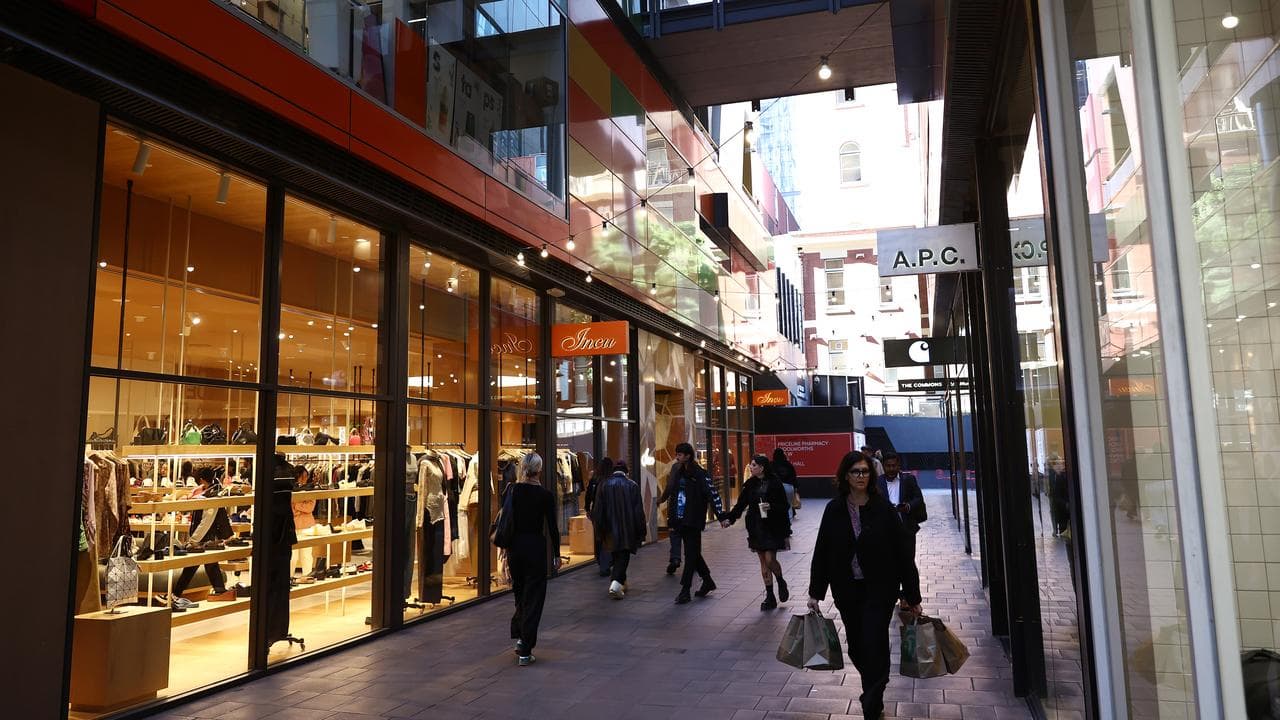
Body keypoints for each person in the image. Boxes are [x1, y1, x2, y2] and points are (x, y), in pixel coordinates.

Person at [808, 451, 922, 720]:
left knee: (875, 641)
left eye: (865, 471)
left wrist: (912, 595)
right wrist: (815, 592)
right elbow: (822, 550)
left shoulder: (883, 508)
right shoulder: (834, 510)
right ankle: (873, 687)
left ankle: (872, 700)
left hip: (880, 589)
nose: (861, 476)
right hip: (846, 589)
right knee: (857, 647)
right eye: (856, 471)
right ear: (845, 475)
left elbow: (902, 553)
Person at [505, 452, 560, 666]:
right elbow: (553, 528)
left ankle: (521, 638)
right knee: (534, 598)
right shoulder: (545, 495)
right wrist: (556, 553)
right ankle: (526, 648)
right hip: (535, 549)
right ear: (540, 469)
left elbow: (506, 520)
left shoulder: (513, 491)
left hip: (515, 549)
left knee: (520, 594)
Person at [657, 442, 726, 604]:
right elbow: (673, 492)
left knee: (690, 555)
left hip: (693, 520)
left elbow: (712, 494)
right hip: (680, 520)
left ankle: (685, 590)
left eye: (680, 454)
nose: (677, 457)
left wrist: (721, 516)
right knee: (693, 552)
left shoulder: (700, 474)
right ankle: (707, 581)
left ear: (688, 456)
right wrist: (672, 517)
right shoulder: (678, 471)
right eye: (676, 454)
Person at [724, 455, 792, 610]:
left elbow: (784, 506)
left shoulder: (775, 483)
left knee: (770, 559)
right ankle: (770, 596)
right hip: (756, 526)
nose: (751, 467)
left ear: (762, 467)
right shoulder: (750, 485)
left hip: (772, 527)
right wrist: (730, 519)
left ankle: (781, 581)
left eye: (754, 465)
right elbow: (740, 505)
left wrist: (771, 507)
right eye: (751, 465)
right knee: (763, 561)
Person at [166, 467, 232, 609]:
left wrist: (194, 540)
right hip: (207, 538)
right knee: (210, 565)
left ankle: (175, 594)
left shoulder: (212, 495)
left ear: (202, 479)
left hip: (205, 538)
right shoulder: (206, 491)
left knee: (192, 566)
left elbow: (206, 522)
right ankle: (221, 591)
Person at [591, 458, 646, 599]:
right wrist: (641, 532)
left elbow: (598, 511)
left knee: (616, 555)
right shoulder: (632, 485)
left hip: (609, 529)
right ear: (626, 472)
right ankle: (615, 584)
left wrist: (599, 530)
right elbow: (638, 512)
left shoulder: (604, 485)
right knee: (623, 556)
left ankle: (622, 582)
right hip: (627, 529)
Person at [878, 451, 926, 606]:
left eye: (894, 465)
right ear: (883, 466)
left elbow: (918, 498)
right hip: (885, 531)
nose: (891, 469)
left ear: (899, 465)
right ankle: (893, 594)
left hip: (906, 529)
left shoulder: (908, 480)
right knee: (888, 564)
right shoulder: (877, 482)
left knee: (908, 563)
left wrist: (908, 506)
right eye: (888, 466)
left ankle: (909, 596)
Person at [583, 465, 612, 577]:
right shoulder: (609, 481)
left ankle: (601, 560)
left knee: (599, 536)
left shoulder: (595, 480)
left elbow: (588, 496)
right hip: (607, 513)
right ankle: (606, 562)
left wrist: (587, 509)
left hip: (596, 512)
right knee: (607, 536)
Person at [772, 448, 799, 518]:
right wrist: (796, 488)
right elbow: (794, 476)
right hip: (788, 487)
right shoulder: (788, 464)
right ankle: (789, 519)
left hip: (776, 487)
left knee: (777, 504)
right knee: (789, 504)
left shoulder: (771, 464)